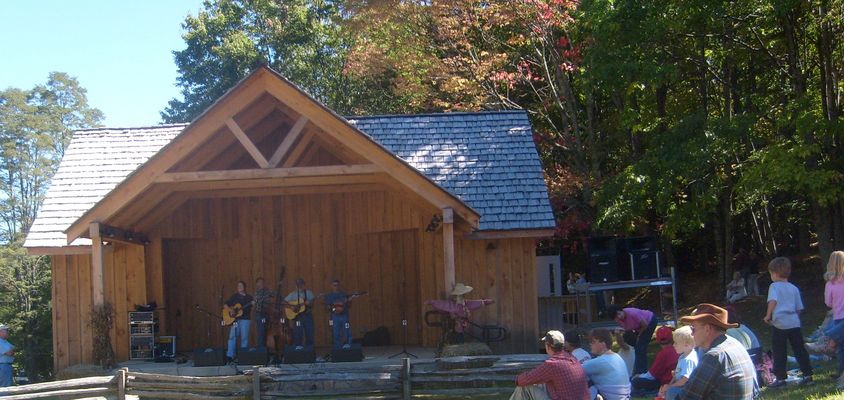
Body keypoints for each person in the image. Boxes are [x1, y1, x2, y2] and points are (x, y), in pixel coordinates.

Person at [677, 303, 757, 399]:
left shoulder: (714, 355)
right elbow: (755, 390)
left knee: (673, 391)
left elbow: (687, 397)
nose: (691, 334)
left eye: (693, 329)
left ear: (707, 329)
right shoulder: (735, 344)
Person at [763, 256, 812, 388]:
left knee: (779, 350)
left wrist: (768, 315)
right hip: (794, 323)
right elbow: (799, 308)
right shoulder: (794, 288)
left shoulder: (774, 286)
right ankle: (807, 375)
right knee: (799, 349)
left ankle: (780, 378)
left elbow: (773, 301)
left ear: (774, 273)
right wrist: (794, 318)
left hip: (779, 323)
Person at [511, 330, 590, 400]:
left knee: (526, 387)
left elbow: (523, 380)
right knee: (541, 384)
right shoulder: (573, 358)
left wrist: (516, 379)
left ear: (548, 346)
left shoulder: (552, 364)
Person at [425, 283, 494, 343]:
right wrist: (431, 302)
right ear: (455, 297)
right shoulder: (451, 305)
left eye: (462, 296)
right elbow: (441, 304)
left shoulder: (466, 303)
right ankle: (458, 344)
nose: (461, 298)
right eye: (459, 296)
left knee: (460, 334)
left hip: (462, 323)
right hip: (454, 324)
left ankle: (460, 344)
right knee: (458, 334)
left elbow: (476, 303)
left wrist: (487, 301)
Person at [582, 328, 631, 400]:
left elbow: (575, 370)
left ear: (603, 344)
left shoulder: (601, 361)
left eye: (593, 341)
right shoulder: (616, 356)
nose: (590, 344)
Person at [606, 304, 657, 374]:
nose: (619, 317)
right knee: (638, 347)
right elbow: (627, 330)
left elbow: (644, 325)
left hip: (649, 321)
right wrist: (619, 334)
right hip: (638, 327)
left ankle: (641, 371)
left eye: (619, 314)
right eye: (616, 317)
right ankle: (639, 369)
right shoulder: (619, 320)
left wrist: (639, 335)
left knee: (641, 346)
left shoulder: (632, 313)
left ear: (621, 310)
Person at [630, 326, 678, 398]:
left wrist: (639, 376)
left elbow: (652, 375)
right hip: (675, 380)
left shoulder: (663, 353)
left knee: (634, 381)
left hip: (664, 383)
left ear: (658, 340)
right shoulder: (677, 348)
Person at [658, 326, 698, 400]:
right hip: (680, 386)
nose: (673, 345)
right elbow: (677, 377)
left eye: (676, 343)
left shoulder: (689, 360)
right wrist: (669, 384)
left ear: (686, 345)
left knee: (670, 391)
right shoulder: (683, 356)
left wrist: (670, 387)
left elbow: (685, 380)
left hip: (687, 391)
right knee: (664, 390)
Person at [823, 250, 844, 388]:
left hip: (838, 317)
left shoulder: (830, 284)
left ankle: (827, 341)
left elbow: (828, 303)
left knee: (841, 349)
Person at [224, 281, 253, 361]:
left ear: (244, 287)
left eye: (241, 285)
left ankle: (243, 356)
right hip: (235, 320)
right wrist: (231, 310)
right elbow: (225, 304)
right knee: (232, 337)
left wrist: (254, 303)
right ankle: (230, 355)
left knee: (244, 338)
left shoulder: (249, 297)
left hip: (245, 319)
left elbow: (253, 306)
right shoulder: (234, 296)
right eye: (238, 286)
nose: (239, 287)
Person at [323, 279, 354, 349]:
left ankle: (348, 345)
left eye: (337, 285)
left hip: (344, 315)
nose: (336, 287)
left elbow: (349, 306)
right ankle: (338, 347)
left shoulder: (344, 294)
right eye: (334, 285)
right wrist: (334, 307)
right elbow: (327, 308)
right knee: (335, 332)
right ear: (331, 286)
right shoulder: (328, 296)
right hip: (334, 316)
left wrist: (349, 301)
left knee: (347, 330)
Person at [285, 278, 315, 349]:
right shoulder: (292, 294)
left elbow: (312, 303)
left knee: (309, 332)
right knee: (297, 333)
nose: (299, 286)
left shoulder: (308, 293)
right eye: (298, 284)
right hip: (298, 316)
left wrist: (309, 303)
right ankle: (298, 349)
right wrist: (291, 307)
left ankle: (309, 350)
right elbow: (284, 303)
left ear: (304, 284)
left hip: (307, 315)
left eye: (301, 284)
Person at [253, 277, 274, 349]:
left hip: (268, 314)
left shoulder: (268, 291)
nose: (261, 284)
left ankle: (265, 350)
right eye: (259, 282)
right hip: (260, 314)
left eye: (262, 282)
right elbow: (256, 304)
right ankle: (261, 350)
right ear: (257, 284)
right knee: (261, 332)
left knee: (266, 333)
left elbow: (277, 296)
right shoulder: (256, 293)